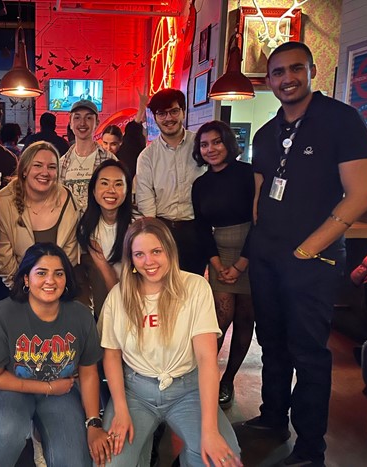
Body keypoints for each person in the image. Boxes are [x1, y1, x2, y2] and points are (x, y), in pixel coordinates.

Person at [244, 42, 367, 466]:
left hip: (311, 261)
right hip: (267, 255)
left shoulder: (341, 120)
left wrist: (309, 248)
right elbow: (260, 195)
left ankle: (310, 448)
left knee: (309, 353)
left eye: (294, 69)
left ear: (312, 70)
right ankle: (272, 417)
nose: (286, 78)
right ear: (269, 80)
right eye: (277, 72)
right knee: (272, 343)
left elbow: (360, 194)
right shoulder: (267, 133)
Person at [100, 218, 241, 466]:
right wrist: (120, 410)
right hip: (136, 391)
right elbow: (111, 355)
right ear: (130, 260)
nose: (149, 262)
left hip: (187, 389)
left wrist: (209, 431)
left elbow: (207, 359)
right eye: (139, 254)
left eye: (156, 251)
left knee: (221, 458)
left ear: (170, 250)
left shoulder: (195, 287)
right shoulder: (118, 296)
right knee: (113, 461)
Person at [0, 243, 108, 467]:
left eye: (59, 273)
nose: (51, 281)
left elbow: (88, 373)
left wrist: (94, 423)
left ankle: (40, 432)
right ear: (26, 279)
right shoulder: (1, 315)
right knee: (8, 429)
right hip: (7, 388)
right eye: (41, 273)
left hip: (61, 393)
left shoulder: (81, 316)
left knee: (74, 461)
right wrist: (47, 387)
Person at [191, 120, 255, 409]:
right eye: (204, 144)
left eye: (216, 142)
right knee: (220, 320)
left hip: (252, 254)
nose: (211, 149)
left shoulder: (248, 174)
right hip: (219, 257)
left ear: (228, 143)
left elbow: (260, 222)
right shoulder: (200, 184)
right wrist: (216, 265)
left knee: (245, 319)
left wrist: (242, 264)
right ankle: (203, 378)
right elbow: (202, 228)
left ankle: (227, 380)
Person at [136, 88, 206, 275]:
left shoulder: (200, 145)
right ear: (155, 117)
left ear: (183, 111)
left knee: (193, 285)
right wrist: (154, 236)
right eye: (162, 113)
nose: (168, 118)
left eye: (174, 111)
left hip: (196, 229)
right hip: (163, 229)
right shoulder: (147, 156)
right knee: (163, 285)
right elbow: (145, 198)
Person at [0, 141, 79, 290]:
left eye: (51, 167)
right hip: (17, 288)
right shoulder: (3, 202)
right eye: (38, 165)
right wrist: (24, 289)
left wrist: (53, 287)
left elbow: (69, 256)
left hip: (57, 288)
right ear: (24, 170)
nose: (45, 172)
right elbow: (3, 260)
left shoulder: (68, 199)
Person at [77, 159, 134, 316]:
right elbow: (104, 272)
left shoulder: (136, 226)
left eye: (118, 184)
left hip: (135, 295)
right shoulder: (87, 228)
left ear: (127, 190)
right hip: (106, 297)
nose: (111, 190)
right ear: (94, 190)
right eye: (104, 183)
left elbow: (137, 273)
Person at [60, 99, 117, 214]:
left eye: (88, 117)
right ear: (70, 123)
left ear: (97, 122)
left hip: (99, 227)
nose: (82, 123)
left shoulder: (110, 161)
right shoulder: (61, 163)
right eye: (77, 117)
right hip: (70, 229)